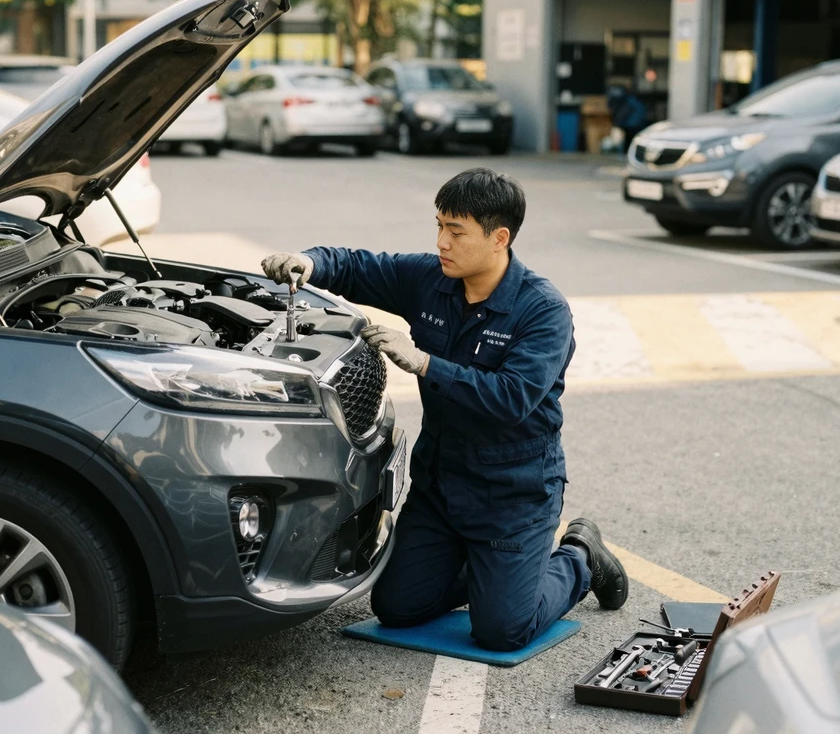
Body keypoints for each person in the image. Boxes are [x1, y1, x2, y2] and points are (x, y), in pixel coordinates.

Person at [261, 167, 628, 652]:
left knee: (503, 630)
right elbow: (358, 265)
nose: (441, 242)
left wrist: (425, 363)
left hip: (512, 495)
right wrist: (308, 262)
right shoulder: (431, 280)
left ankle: (580, 557)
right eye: (438, 225)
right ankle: (490, 574)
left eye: (456, 231)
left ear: (499, 238)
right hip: (441, 489)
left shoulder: (542, 311)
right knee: (395, 608)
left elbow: (511, 399)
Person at [607, 85, 648, 153]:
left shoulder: (628, 102)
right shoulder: (634, 101)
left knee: (629, 142)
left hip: (631, 125)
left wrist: (616, 124)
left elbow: (622, 114)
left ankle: (627, 155)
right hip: (638, 125)